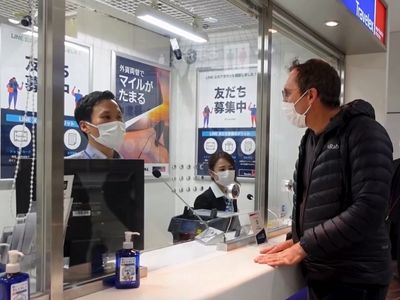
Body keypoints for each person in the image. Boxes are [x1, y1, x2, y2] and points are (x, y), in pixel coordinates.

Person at [254, 58, 393, 300]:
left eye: (287, 94)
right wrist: (296, 238)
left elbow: (369, 208)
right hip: (323, 274)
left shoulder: (365, 132)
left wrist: (305, 245)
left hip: (355, 279)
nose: (285, 102)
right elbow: (312, 201)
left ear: (311, 96)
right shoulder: (310, 139)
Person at [66, 90, 126, 159]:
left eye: (119, 117)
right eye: (107, 117)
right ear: (84, 126)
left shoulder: (130, 167)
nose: (117, 123)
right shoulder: (65, 167)